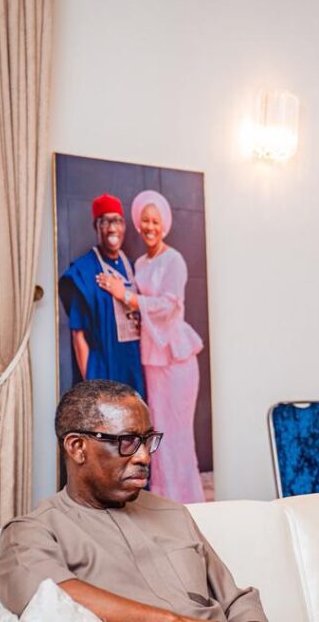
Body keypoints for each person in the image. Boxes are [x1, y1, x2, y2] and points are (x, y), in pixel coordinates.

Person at [0, 379, 266, 622]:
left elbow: (236, 600)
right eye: (127, 441)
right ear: (77, 447)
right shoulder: (33, 531)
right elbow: (47, 596)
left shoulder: (172, 512)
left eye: (147, 440)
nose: (144, 456)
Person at [96, 190, 206, 504]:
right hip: (152, 359)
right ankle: (164, 502)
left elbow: (168, 306)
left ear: (165, 224)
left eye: (155, 221)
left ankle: (189, 504)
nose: (150, 226)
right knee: (159, 433)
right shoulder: (140, 263)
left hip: (177, 358)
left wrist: (125, 296)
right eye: (145, 220)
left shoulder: (174, 260)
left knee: (178, 436)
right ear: (137, 223)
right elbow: (136, 305)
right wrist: (122, 296)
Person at [59, 193, 146, 399]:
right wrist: (92, 387)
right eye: (106, 222)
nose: (113, 228)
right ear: (96, 226)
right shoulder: (84, 272)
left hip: (133, 370)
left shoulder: (133, 268)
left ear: (124, 226)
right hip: (103, 372)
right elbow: (78, 335)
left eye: (117, 221)